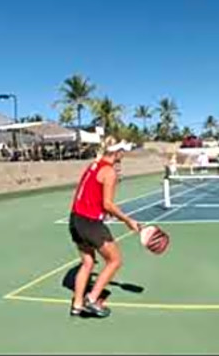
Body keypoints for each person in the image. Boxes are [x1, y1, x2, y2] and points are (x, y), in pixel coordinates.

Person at [68, 136, 142, 318]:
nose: (123, 154)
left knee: (88, 263)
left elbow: (91, 193)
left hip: (75, 220)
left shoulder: (94, 165)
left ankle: (77, 305)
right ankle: (91, 299)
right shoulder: (109, 171)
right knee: (115, 260)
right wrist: (128, 220)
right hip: (90, 223)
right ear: (116, 152)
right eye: (122, 151)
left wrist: (101, 209)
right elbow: (108, 204)